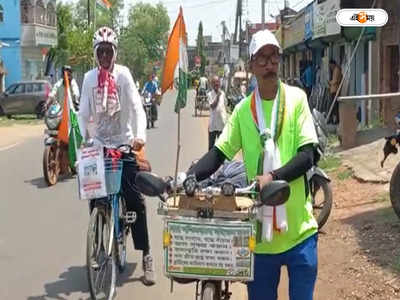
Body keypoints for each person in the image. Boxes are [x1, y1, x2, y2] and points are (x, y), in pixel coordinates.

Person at [186, 29, 319, 300]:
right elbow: (219, 153)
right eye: (262, 58)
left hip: (300, 233)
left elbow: (308, 155)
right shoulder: (243, 111)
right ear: (251, 66)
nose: (269, 64)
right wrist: (189, 176)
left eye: (274, 57)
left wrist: (273, 177)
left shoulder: (296, 99)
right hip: (259, 240)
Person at [78, 26, 155, 285]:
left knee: (135, 200)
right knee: (95, 197)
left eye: (109, 52)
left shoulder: (124, 76)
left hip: (123, 143)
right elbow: (82, 113)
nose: (105, 57)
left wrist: (139, 136)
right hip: (100, 144)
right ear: (95, 54)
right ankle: (100, 247)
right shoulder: (89, 79)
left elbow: (136, 108)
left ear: (115, 53)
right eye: (100, 52)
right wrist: (84, 137)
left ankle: (146, 255)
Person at [207, 75, 227, 150]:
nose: (216, 84)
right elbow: (212, 106)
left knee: (222, 146)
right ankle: (210, 161)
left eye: (217, 82)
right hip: (213, 125)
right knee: (211, 147)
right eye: (214, 82)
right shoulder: (209, 94)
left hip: (221, 124)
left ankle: (221, 161)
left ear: (220, 83)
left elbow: (224, 106)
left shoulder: (223, 93)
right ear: (211, 84)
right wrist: (218, 96)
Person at [328, 59, 343, 124]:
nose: (330, 67)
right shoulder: (335, 70)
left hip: (335, 90)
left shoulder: (336, 70)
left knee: (335, 106)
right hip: (333, 90)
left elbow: (336, 80)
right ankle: (334, 119)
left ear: (333, 64)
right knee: (334, 106)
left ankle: (336, 120)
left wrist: (330, 82)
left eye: (330, 65)